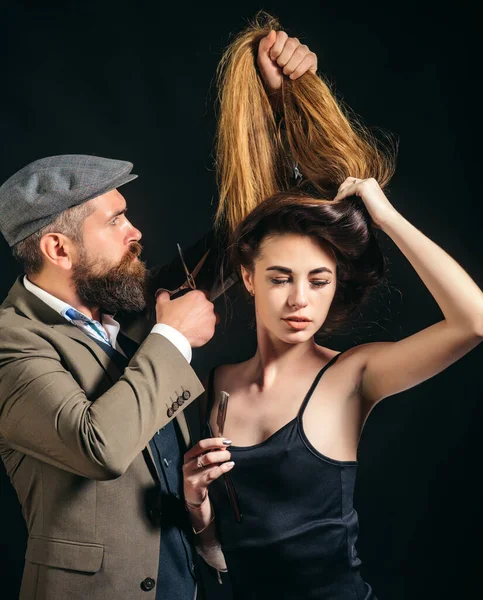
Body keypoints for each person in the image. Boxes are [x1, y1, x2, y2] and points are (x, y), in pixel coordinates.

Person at [0, 25, 318, 600]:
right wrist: (171, 338)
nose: (136, 231)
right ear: (58, 249)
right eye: (114, 220)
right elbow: (95, 445)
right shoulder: (12, 343)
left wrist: (279, 107)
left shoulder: (126, 309)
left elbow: (244, 231)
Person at [182, 180, 483, 599]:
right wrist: (196, 502)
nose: (299, 300)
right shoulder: (211, 385)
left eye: (318, 281)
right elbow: (220, 555)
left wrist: (388, 219)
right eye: (281, 278)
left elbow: (474, 321)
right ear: (248, 278)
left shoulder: (351, 376)